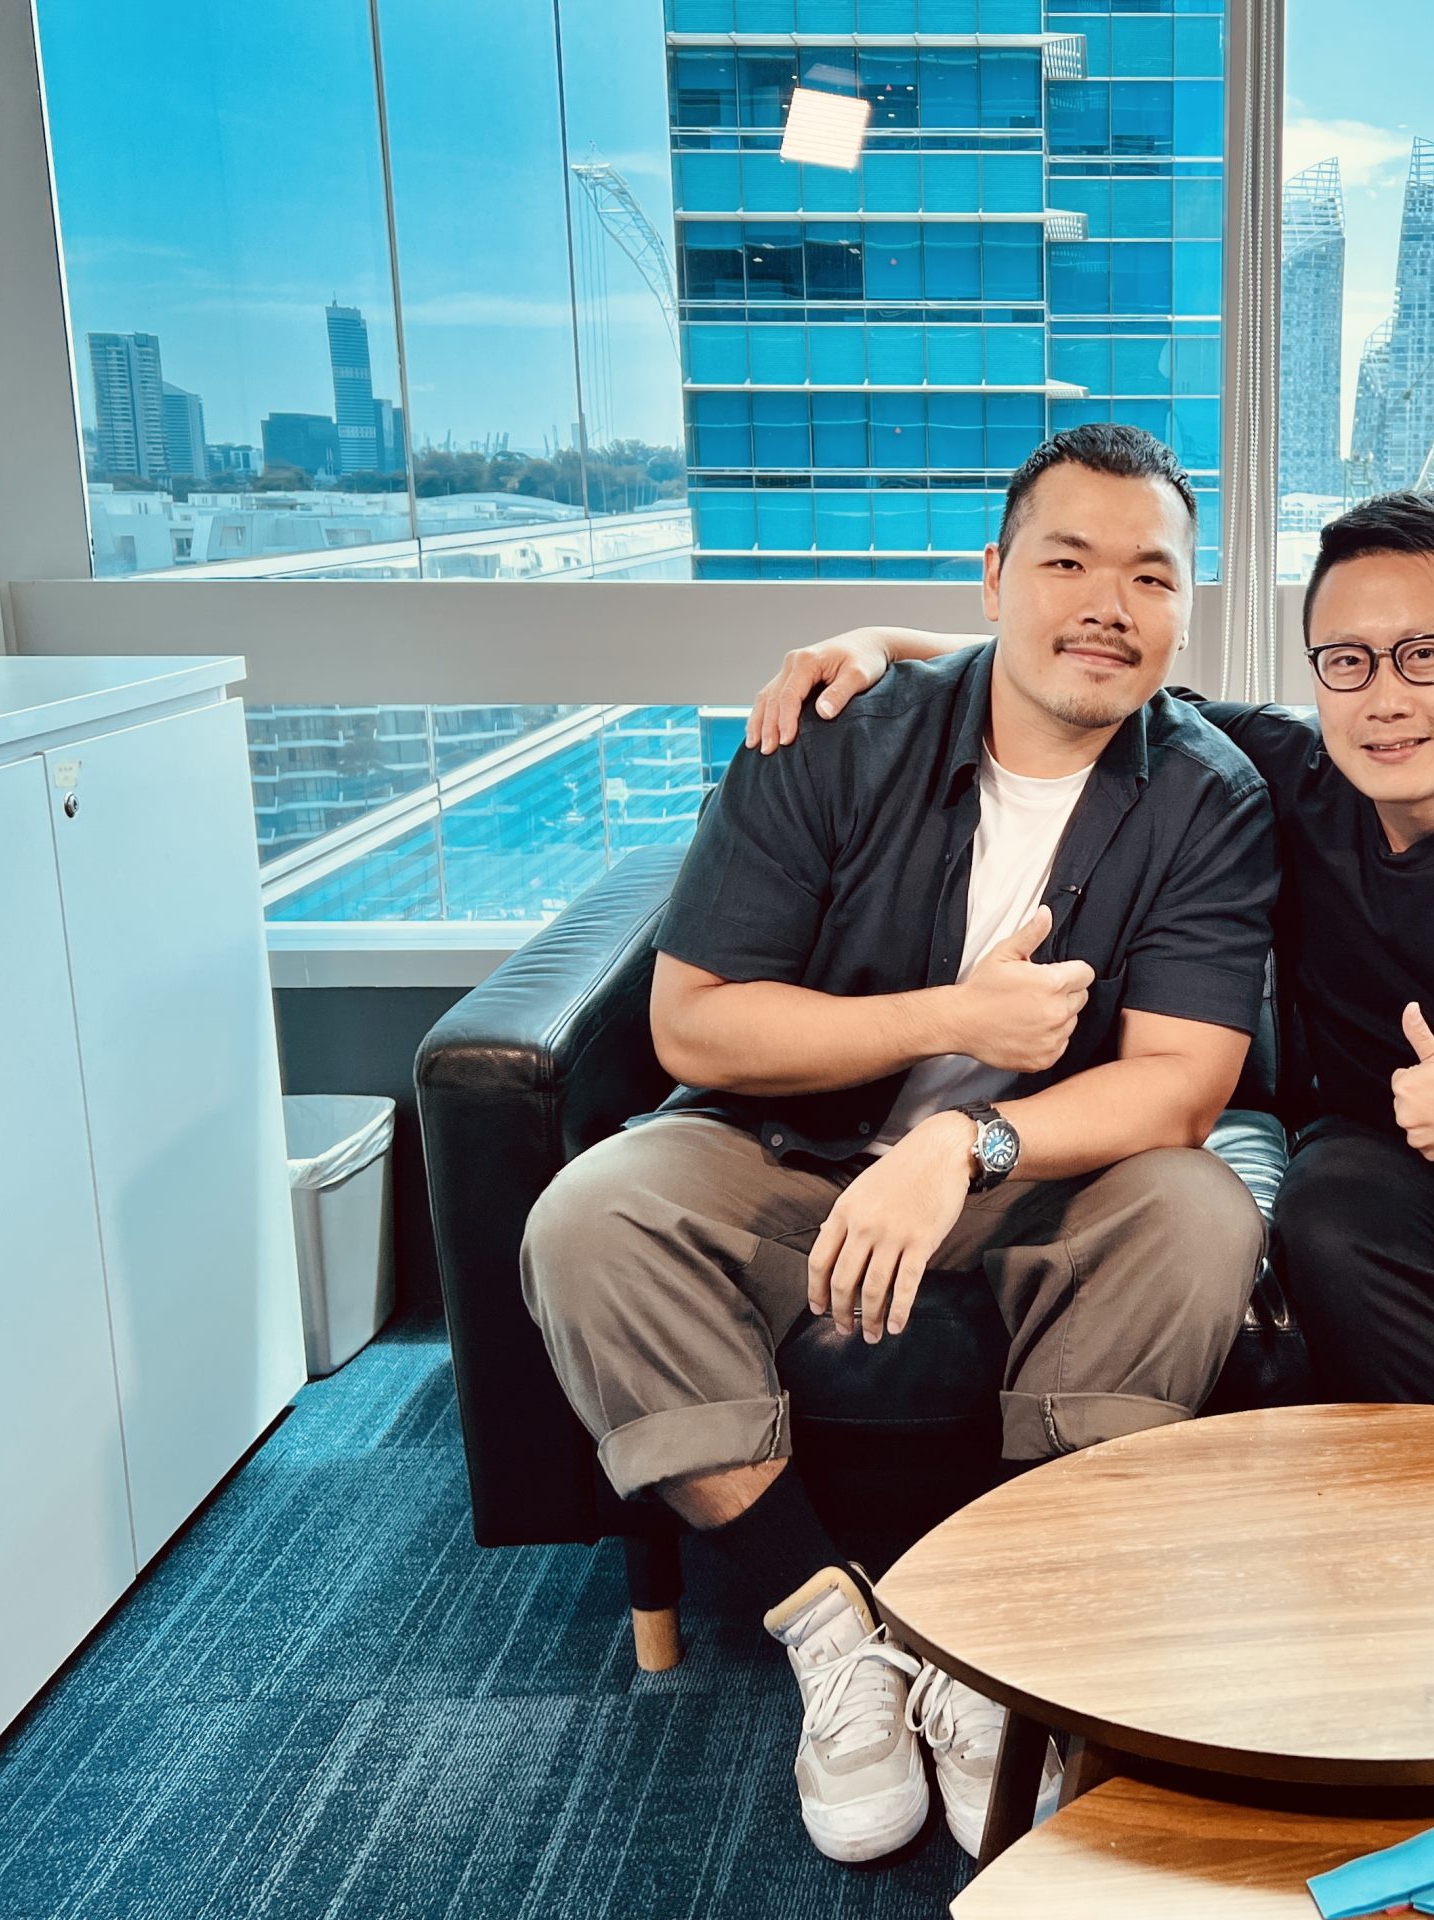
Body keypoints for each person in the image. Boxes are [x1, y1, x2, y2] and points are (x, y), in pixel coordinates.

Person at [520, 424, 1275, 1865]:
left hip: (1037, 1176)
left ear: (1189, 610)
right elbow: (696, 1027)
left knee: (1196, 1210)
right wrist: (949, 1017)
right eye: (1066, 561)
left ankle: (1008, 1642)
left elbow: (1180, 1088)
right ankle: (832, 1628)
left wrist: (967, 1146)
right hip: (785, 1153)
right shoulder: (833, 732)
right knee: (588, 1216)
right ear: (994, 577)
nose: (1107, 603)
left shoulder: (1211, 792)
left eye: (1151, 577)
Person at [745, 489, 1434, 1473]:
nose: (1384, 700)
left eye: (1426, 655)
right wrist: (877, 646)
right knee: (1325, 1221)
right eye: (1348, 661)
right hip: (1384, 1147)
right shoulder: (1284, 774)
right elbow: (1090, 677)